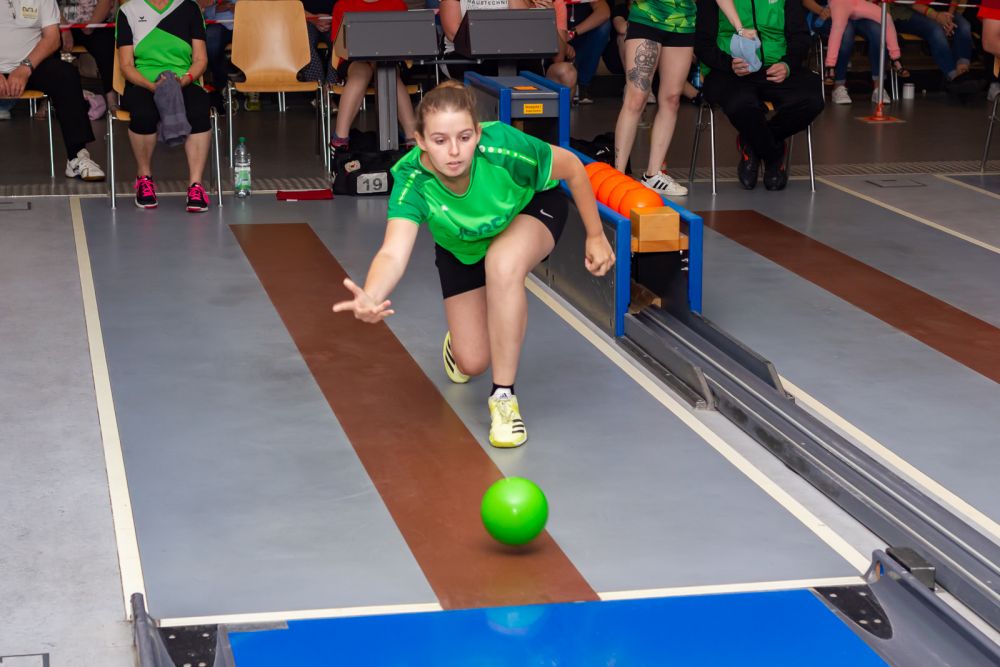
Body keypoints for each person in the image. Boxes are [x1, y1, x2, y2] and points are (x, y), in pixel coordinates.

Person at [332, 81, 615, 449]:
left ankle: (503, 398)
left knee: (503, 264)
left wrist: (595, 234)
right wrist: (371, 294)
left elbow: (574, 168)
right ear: (420, 141)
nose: (454, 151)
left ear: (478, 134)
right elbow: (393, 253)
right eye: (440, 140)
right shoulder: (412, 181)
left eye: (464, 138)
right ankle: (461, 343)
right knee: (472, 362)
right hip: (461, 246)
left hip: (528, 211)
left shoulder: (503, 147)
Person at [695, 0, 823, 191]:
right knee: (741, 104)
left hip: (776, 66)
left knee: (811, 100)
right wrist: (728, 63)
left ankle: (752, 142)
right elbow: (702, 43)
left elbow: (800, 36)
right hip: (729, 69)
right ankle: (773, 155)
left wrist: (788, 64)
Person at [116, 0, 212, 210]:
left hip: (182, 80)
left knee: (198, 110)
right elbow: (126, 65)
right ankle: (144, 178)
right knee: (143, 114)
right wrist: (152, 86)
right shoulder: (128, 11)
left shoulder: (190, 8)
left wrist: (184, 80)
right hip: (143, 82)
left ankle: (196, 185)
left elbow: (200, 59)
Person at [1, 0, 106, 179]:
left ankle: (77, 156)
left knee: (65, 75)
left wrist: (25, 68)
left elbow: (52, 38)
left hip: (30, 65)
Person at [613, 0, 698, 197]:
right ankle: (617, 174)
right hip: (646, 17)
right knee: (636, 98)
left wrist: (739, 26)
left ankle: (653, 174)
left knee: (672, 99)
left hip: (683, 21)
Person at [327, 0, 419, 159]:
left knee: (387, 71)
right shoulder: (343, 4)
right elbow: (340, 45)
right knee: (361, 73)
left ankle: (412, 138)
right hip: (354, 59)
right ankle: (340, 139)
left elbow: (403, 41)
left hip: (388, 58)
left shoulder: (397, 4)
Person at [59, 0, 118, 111]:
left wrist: (91, 24)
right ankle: (47, 98)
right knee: (49, 43)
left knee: (106, 43)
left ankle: (111, 95)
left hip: (97, 22)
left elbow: (106, 2)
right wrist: (64, 29)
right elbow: (49, 5)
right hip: (60, 23)